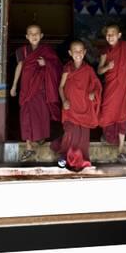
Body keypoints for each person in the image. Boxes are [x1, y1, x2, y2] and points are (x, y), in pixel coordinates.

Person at [10, 24, 62, 161]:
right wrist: (14, 85)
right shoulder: (23, 51)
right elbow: (19, 67)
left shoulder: (47, 51)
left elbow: (57, 67)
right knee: (25, 115)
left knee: (41, 114)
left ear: (41, 35)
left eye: (36, 33)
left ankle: (40, 137)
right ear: (27, 37)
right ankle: (29, 146)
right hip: (26, 89)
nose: (34, 36)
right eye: (31, 33)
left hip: (41, 89)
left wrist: (46, 64)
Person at [52, 40, 102, 171]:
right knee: (69, 132)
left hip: (84, 107)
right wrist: (64, 101)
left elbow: (97, 85)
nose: (78, 53)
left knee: (82, 137)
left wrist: (93, 93)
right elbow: (61, 87)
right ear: (70, 53)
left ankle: (80, 159)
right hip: (70, 107)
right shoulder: (67, 69)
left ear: (85, 52)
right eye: (75, 51)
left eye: (81, 51)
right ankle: (64, 154)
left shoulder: (88, 69)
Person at [97, 24, 126, 163]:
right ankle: (108, 136)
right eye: (107, 34)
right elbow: (99, 70)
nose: (110, 36)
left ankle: (121, 148)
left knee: (123, 115)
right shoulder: (105, 52)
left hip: (124, 88)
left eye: (113, 34)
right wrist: (107, 66)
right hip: (111, 88)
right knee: (106, 111)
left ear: (119, 35)